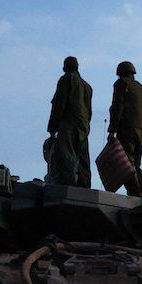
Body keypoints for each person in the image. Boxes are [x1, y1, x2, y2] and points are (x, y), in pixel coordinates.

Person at [107, 60, 142, 198]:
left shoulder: (121, 84)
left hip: (126, 129)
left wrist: (112, 130)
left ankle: (135, 193)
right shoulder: (141, 88)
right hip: (141, 132)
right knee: (136, 165)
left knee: (126, 164)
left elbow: (117, 106)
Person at [46, 56, 93, 188]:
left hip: (69, 124)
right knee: (83, 159)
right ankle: (85, 188)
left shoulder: (66, 79)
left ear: (65, 66)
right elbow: (89, 111)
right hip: (83, 126)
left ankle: (67, 187)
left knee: (65, 156)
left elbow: (59, 104)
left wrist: (52, 125)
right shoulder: (87, 86)